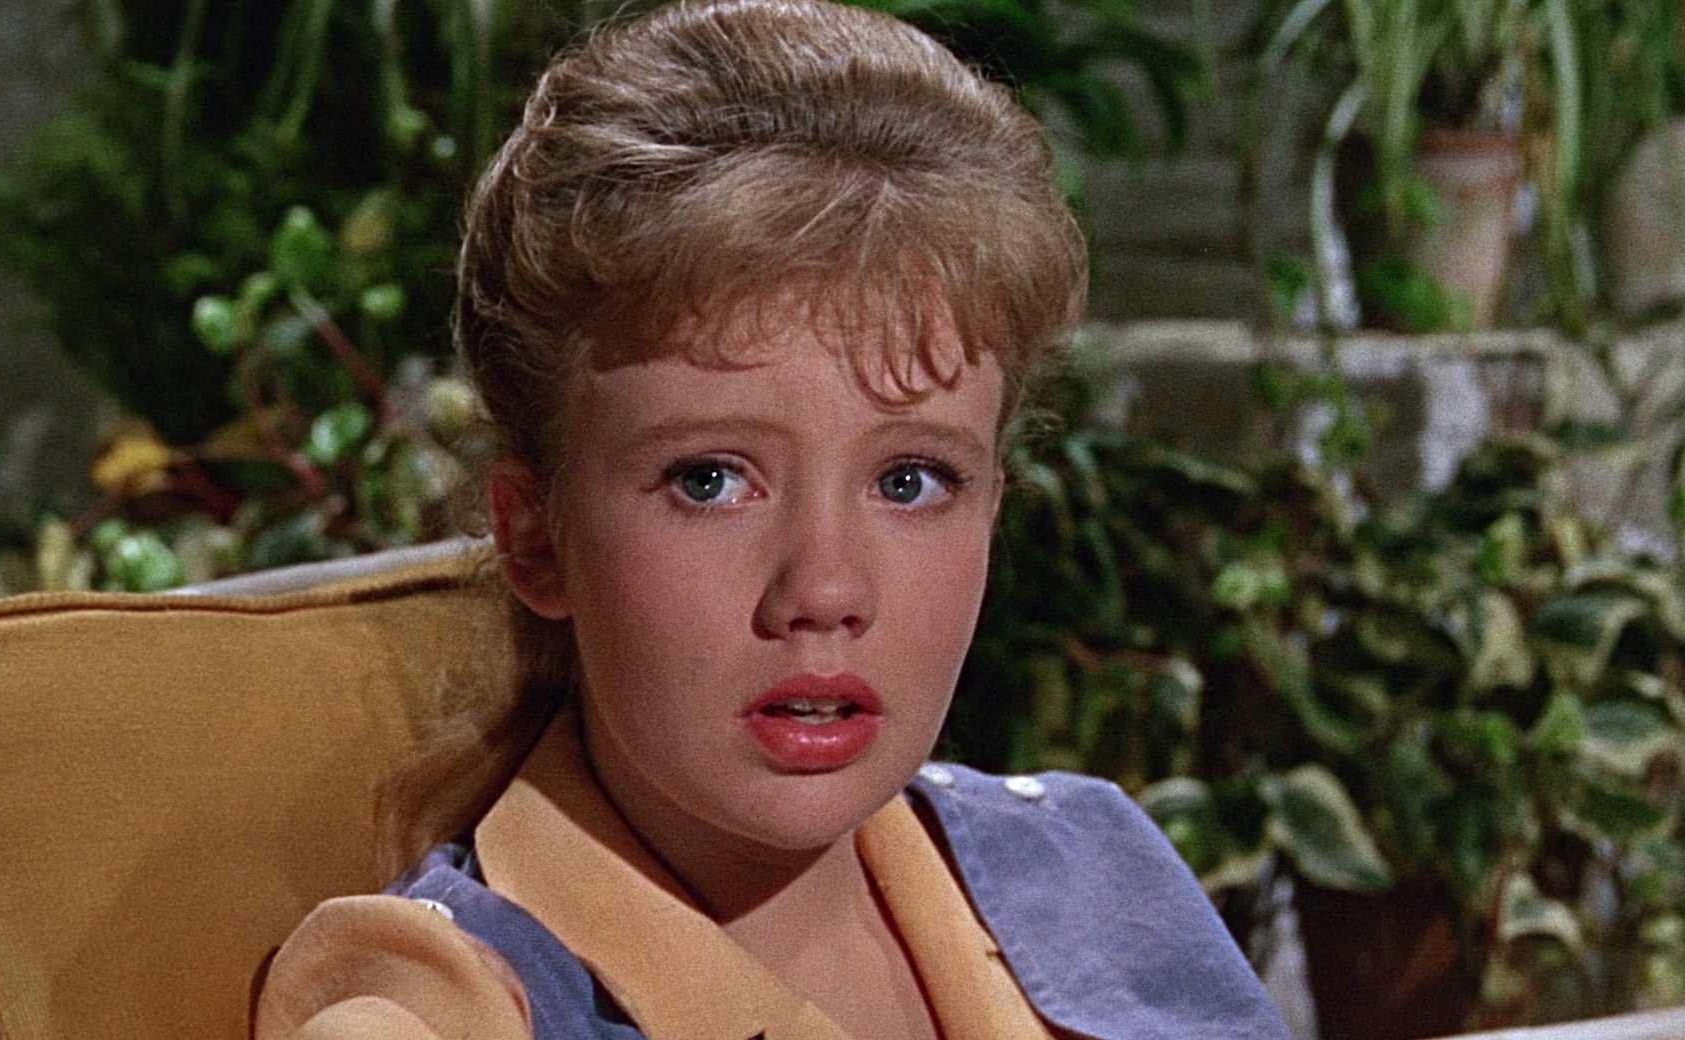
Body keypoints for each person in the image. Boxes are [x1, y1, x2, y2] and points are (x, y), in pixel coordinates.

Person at [254, 0, 1289, 1037]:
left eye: (911, 480)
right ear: (534, 535)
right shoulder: (443, 1005)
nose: (825, 591)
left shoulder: (1094, 866)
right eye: (709, 480)